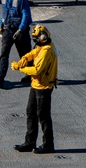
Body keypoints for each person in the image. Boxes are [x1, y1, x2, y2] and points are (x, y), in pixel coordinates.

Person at [12, 24, 58, 154]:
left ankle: (48, 144)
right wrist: (24, 59)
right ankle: (29, 142)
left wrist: (20, 68)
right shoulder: (42, 47)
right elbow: (33, 52)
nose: (35, 42)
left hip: (43, 86)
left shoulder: (46, 51)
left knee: (43, 116)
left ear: (42, 38)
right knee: (31, 112)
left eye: (37, 39)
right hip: (36, 85)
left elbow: (37, 70)